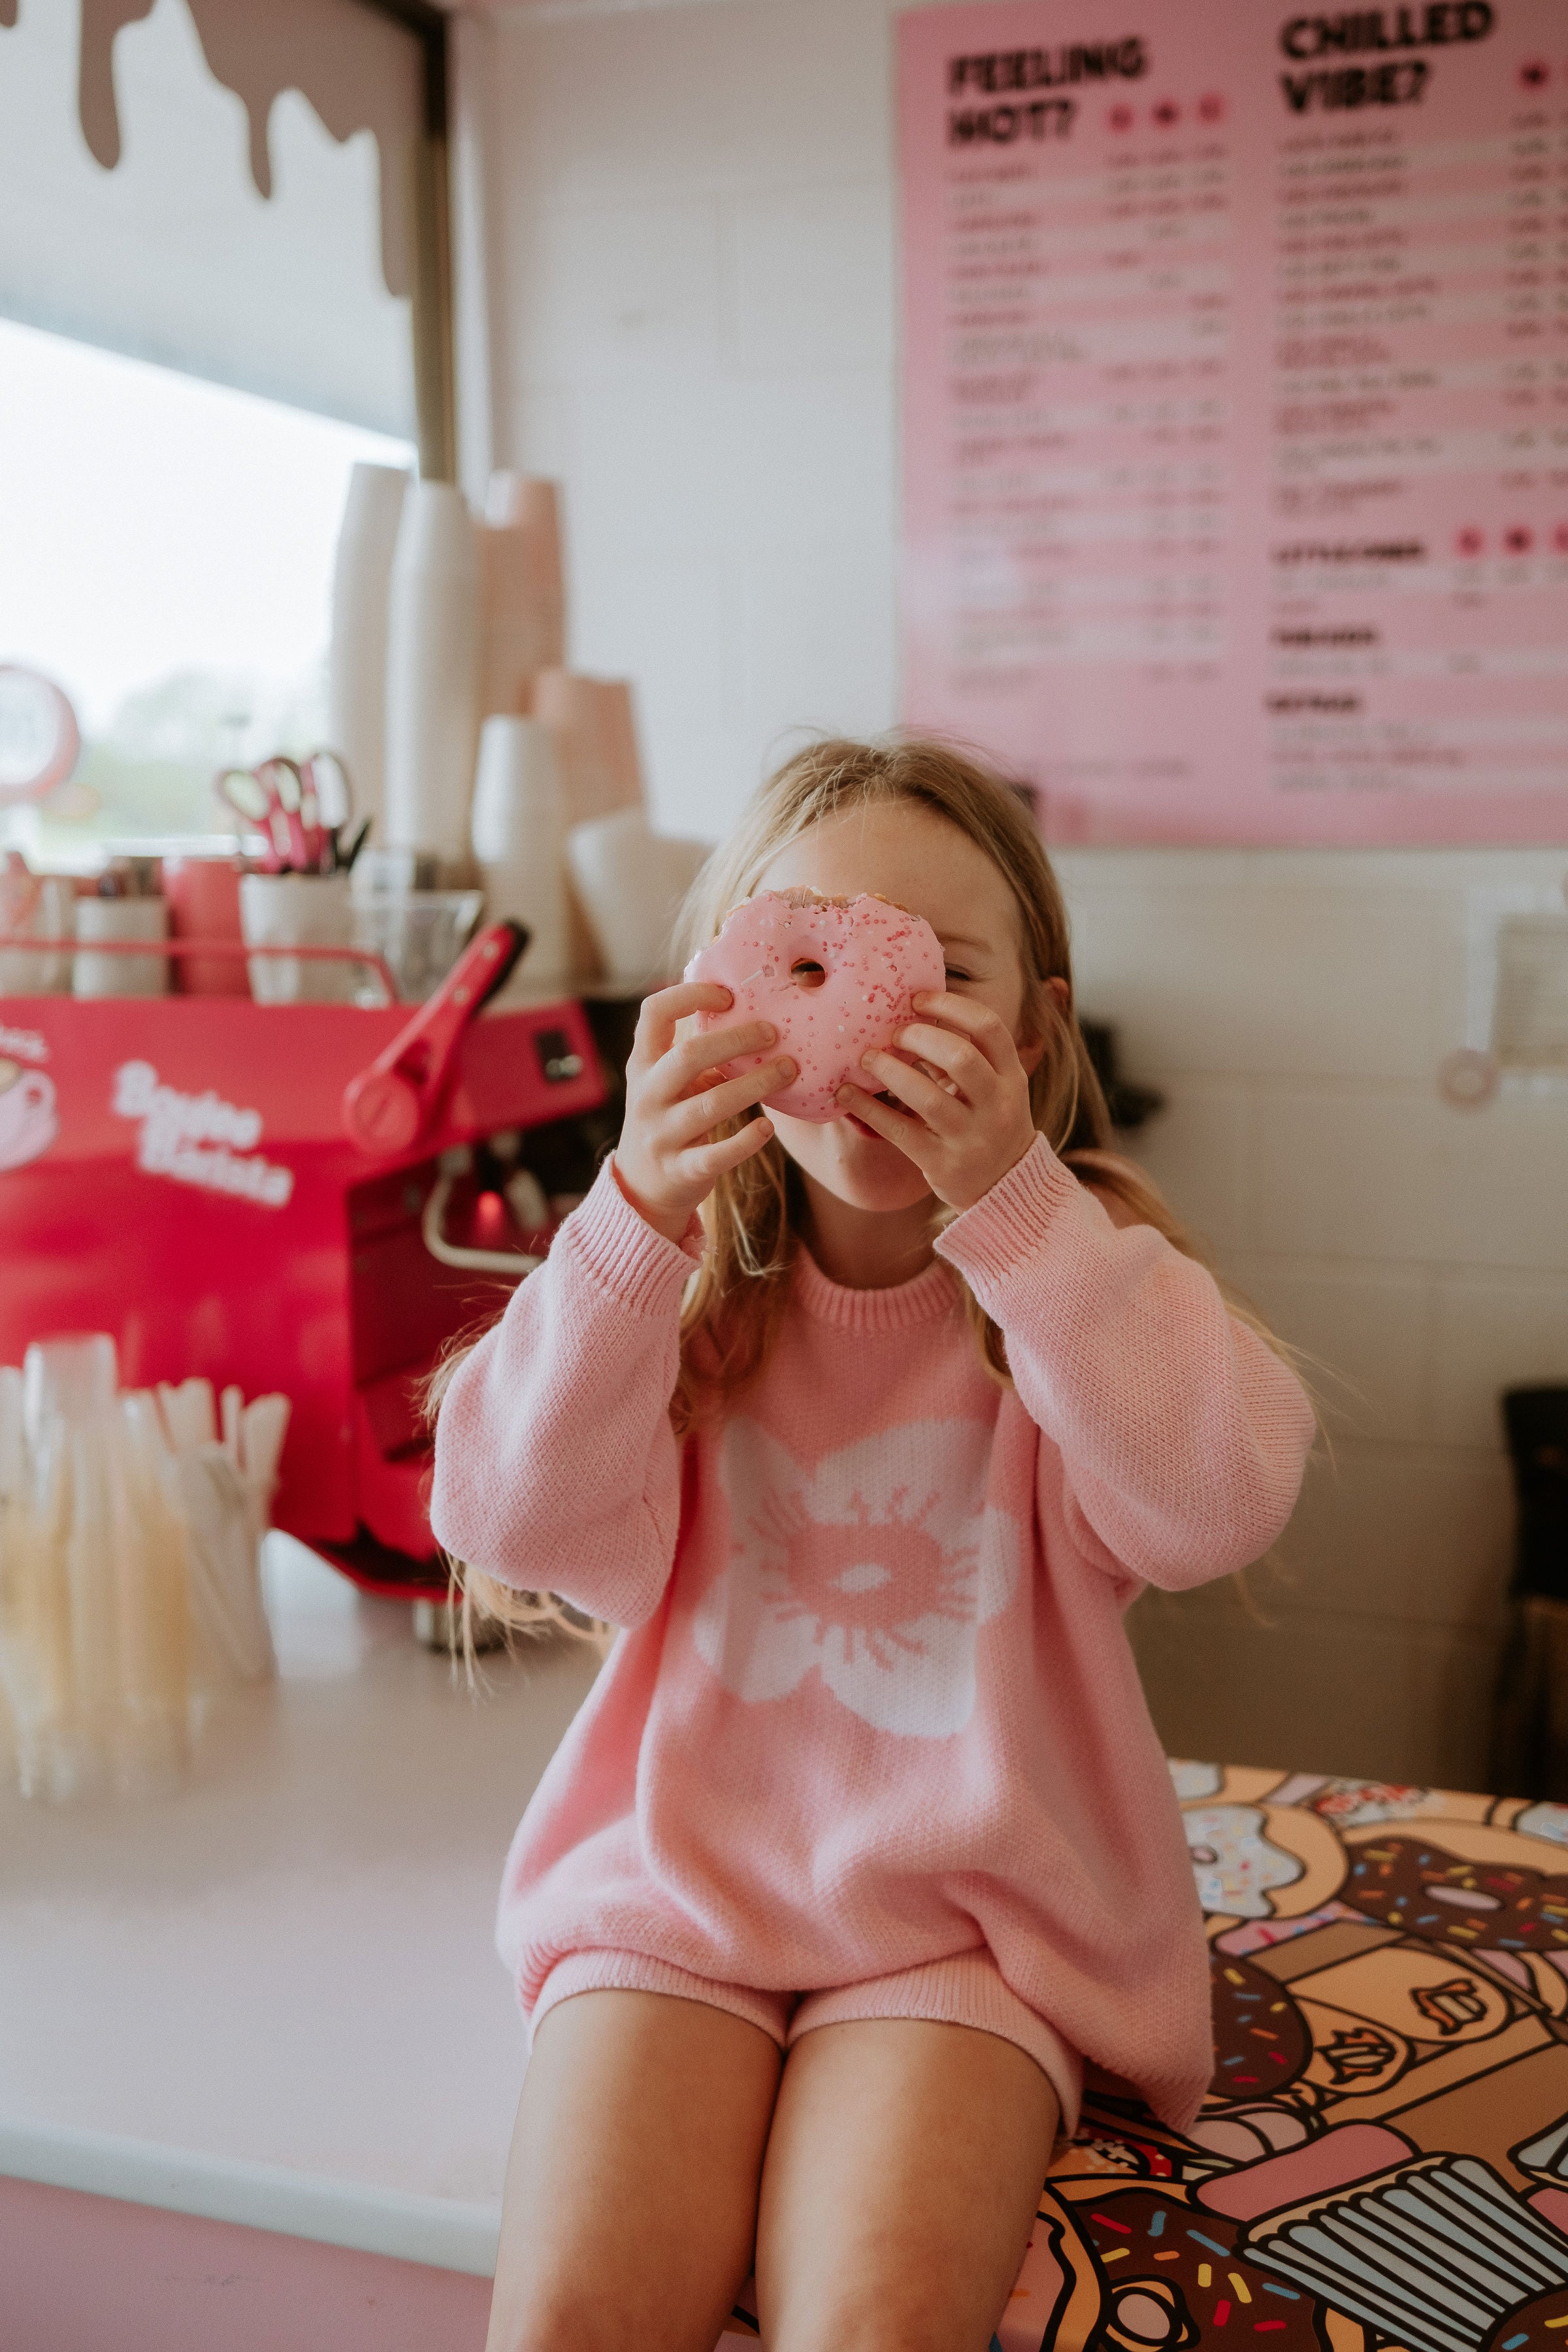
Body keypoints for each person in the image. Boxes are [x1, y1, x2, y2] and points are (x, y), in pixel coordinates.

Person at [431, 736, 1315, 2352]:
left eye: (950, 973)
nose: (877, 1017)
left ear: (1038, 1034)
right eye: (818, 954)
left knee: (878, 2320)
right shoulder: (680, 1289)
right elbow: (510, 1519)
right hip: (674, 1902)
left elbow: (1211, 1507)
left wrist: (1024, 1215)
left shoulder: (1080, 1283)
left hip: (972, 1931)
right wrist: (631, 1211)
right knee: (571, 2317)